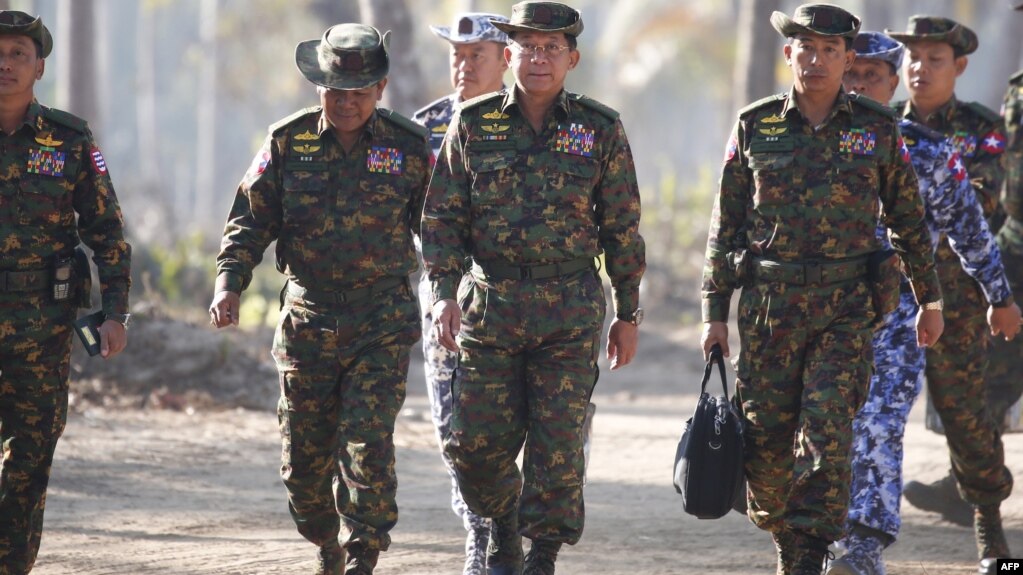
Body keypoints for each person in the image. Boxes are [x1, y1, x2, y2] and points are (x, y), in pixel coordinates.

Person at [700, 5, 944, 574]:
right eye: (806, 48)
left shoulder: (876, 129)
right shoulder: (756, 123)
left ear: (848, 59)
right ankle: (790, 543)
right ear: (789, 54)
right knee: (766, 441)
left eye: (830, 51)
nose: (817, 60)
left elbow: (908, 219)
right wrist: (714, 312)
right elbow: (725, 224)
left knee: (828, 431)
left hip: (845, 309)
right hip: (769, 309)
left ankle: (808, 555)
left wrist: (928, 300)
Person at [422, 2, 645, 573]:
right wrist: (444, 293)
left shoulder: (600, 128)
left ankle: (540, 552)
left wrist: (628, 312)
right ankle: (501, 521)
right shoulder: (472, 124)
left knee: (559, 448)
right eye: (528, 47)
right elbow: (443, 220)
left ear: (571, 58)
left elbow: (622, 226)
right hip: (489, 307)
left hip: (568, 310)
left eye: (551, 48)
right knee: (471, 445)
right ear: (510, 53)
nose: (539, 58)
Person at [208, 23, 431, 575]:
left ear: (379, 90)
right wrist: (229, 284)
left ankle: (363, 552)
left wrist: (452, 289)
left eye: (358, 92)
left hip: (381, 318)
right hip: (307, 320)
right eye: (335, 91)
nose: (346, 103)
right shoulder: (288, 141)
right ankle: (325, 541)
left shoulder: (408, 147)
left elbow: (442, 227)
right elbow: (248, 221)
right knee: (303, 467)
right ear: (318, 88)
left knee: (367, 443)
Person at [829, 31, 1021, 575]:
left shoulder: (941, 144)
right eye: (854, 72)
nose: (862, 82)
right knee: (824, 429)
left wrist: (998, 295)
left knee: (948, 419)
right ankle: (815, 543)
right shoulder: (809, 137)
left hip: (931, 308)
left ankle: (985, 540)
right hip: (824, 316)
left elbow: (977, 218)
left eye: (873, 74)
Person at [0, 10, 131, 574]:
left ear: (39, 67)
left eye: (18, 55)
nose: (5, 64)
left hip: (41, 332)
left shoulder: (69, 140)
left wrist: (115, 312)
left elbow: (107, 232)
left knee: (28, 464)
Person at [884, 16, 1015, 567]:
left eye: (934, 59)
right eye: (912, 58)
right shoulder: (878, 125)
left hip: (958, 298)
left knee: (967, 417)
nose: (920, 68)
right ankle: (856, 532)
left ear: (958, 67)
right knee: (868, 414)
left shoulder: (983, 128)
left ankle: (990, 531)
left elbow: (983, 205)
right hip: (891, 301)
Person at [411, 13, 508, 575]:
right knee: (453, 428)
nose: (463, 66)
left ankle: (512, 532)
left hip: (516, 300)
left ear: (505, 59)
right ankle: (476, 535)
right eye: (457, 55)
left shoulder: (533, 121)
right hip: (446, 299)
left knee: (515, 426)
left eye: (477, 56)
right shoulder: (424, 130)